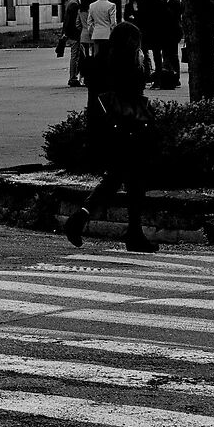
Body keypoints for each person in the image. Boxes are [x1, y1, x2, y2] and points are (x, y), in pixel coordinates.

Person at [65, 18, 158, 252]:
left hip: (105, 130)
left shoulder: (100, 62)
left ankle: (83, 218)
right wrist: (142, 65)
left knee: (118, 178)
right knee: (133, 181)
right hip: (127, 130)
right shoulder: (127, 67)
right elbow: (135, 95)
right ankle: (132, 233)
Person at [62, 0, 93, 87]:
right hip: (75, 35)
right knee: (75, 56)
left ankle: (77, 77)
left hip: (74, 34)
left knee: (79, 56)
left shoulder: (72, 3)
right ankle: (73, 78)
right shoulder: (75, 5)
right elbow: (74, 23)